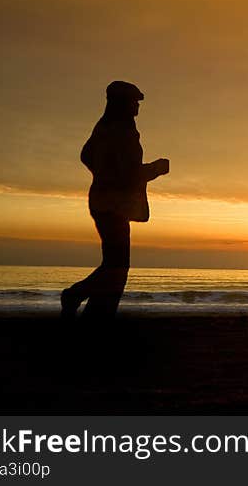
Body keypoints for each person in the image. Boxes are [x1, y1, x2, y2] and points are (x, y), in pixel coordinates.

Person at [60, 81, 169, 319]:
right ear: (122, 103)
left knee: (115, 264)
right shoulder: (119, 131)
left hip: (107, 202)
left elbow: (87, 156)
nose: (137, 107)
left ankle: (94, 311)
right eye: (134, 102)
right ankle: (81, 300)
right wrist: (156, 169)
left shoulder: (108, 127)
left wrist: (103, 174)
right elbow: (127, 172)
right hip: (112, 205)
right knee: (117, 266)